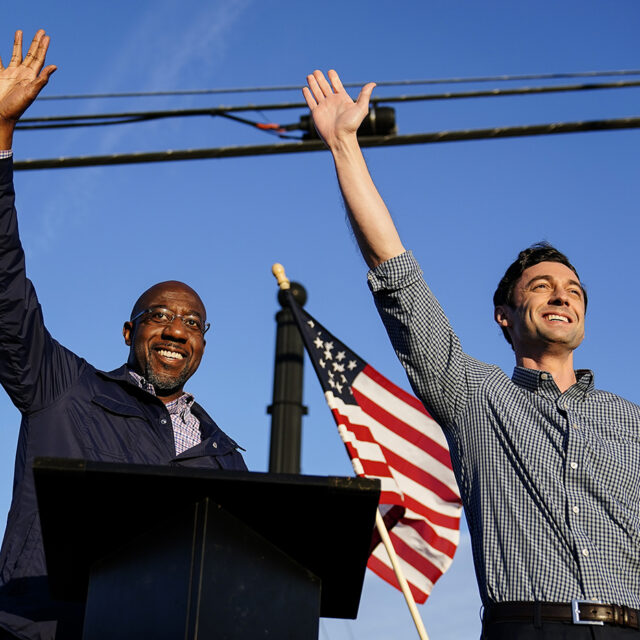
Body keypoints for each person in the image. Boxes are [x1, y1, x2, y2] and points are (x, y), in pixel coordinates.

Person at [303, 69, 640, 639]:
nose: (561, 294)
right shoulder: (473, 394)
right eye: (541, 286)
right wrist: (344, 145)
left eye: (574, 290)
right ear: (504, 316)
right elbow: (396, 274)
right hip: (527, 628)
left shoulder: (630, 420)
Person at [0, 30, 246, 639]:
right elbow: (4, 287)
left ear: (204, 347)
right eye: (160, 315)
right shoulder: (62, 389)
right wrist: (0, 135)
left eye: (192, 323)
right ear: (129, 331)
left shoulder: (224, 456)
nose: (175, 329)